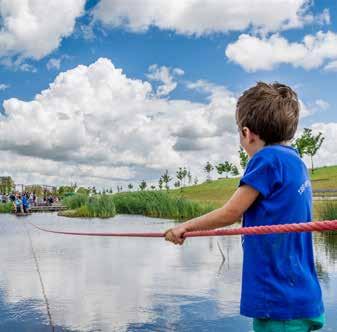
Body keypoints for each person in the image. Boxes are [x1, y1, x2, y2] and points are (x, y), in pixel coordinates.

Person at [164, 82, 324, 331]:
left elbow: (231, 212)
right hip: (305, 297)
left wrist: (185, 226)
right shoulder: (296, 162)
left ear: (247, 133)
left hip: (278, 302)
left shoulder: (267, 159)